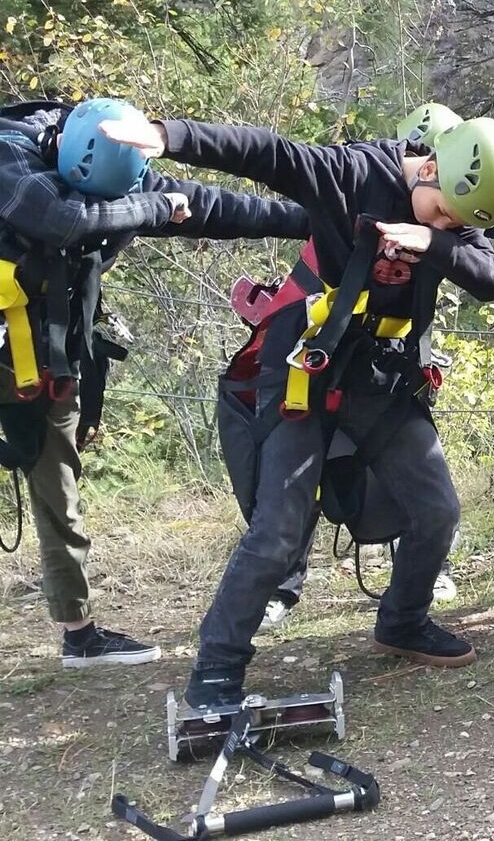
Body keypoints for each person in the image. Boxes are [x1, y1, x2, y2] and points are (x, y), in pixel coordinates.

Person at [98, 110, 494, 704]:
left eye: (459, 221)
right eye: (443, 212)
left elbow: (490, 279)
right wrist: (169, 137)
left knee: (437, 509)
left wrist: (434, 241)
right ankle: (216, 669)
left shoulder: (455, 209)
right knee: (279, 528)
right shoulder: (352, 174)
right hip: (304, 369)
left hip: (379, 378)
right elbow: (266, 152)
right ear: (429, 168)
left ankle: (402, 621)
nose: (450, 223)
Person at [0, 97, 308, 668]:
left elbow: (212, 207)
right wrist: (151, 207)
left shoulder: (125, 160)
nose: (105, 205)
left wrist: (315, 217)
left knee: (57, 490)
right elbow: (63, 219)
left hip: (39, 357)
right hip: (19, 343)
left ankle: (78, 635)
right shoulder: (10, 154)